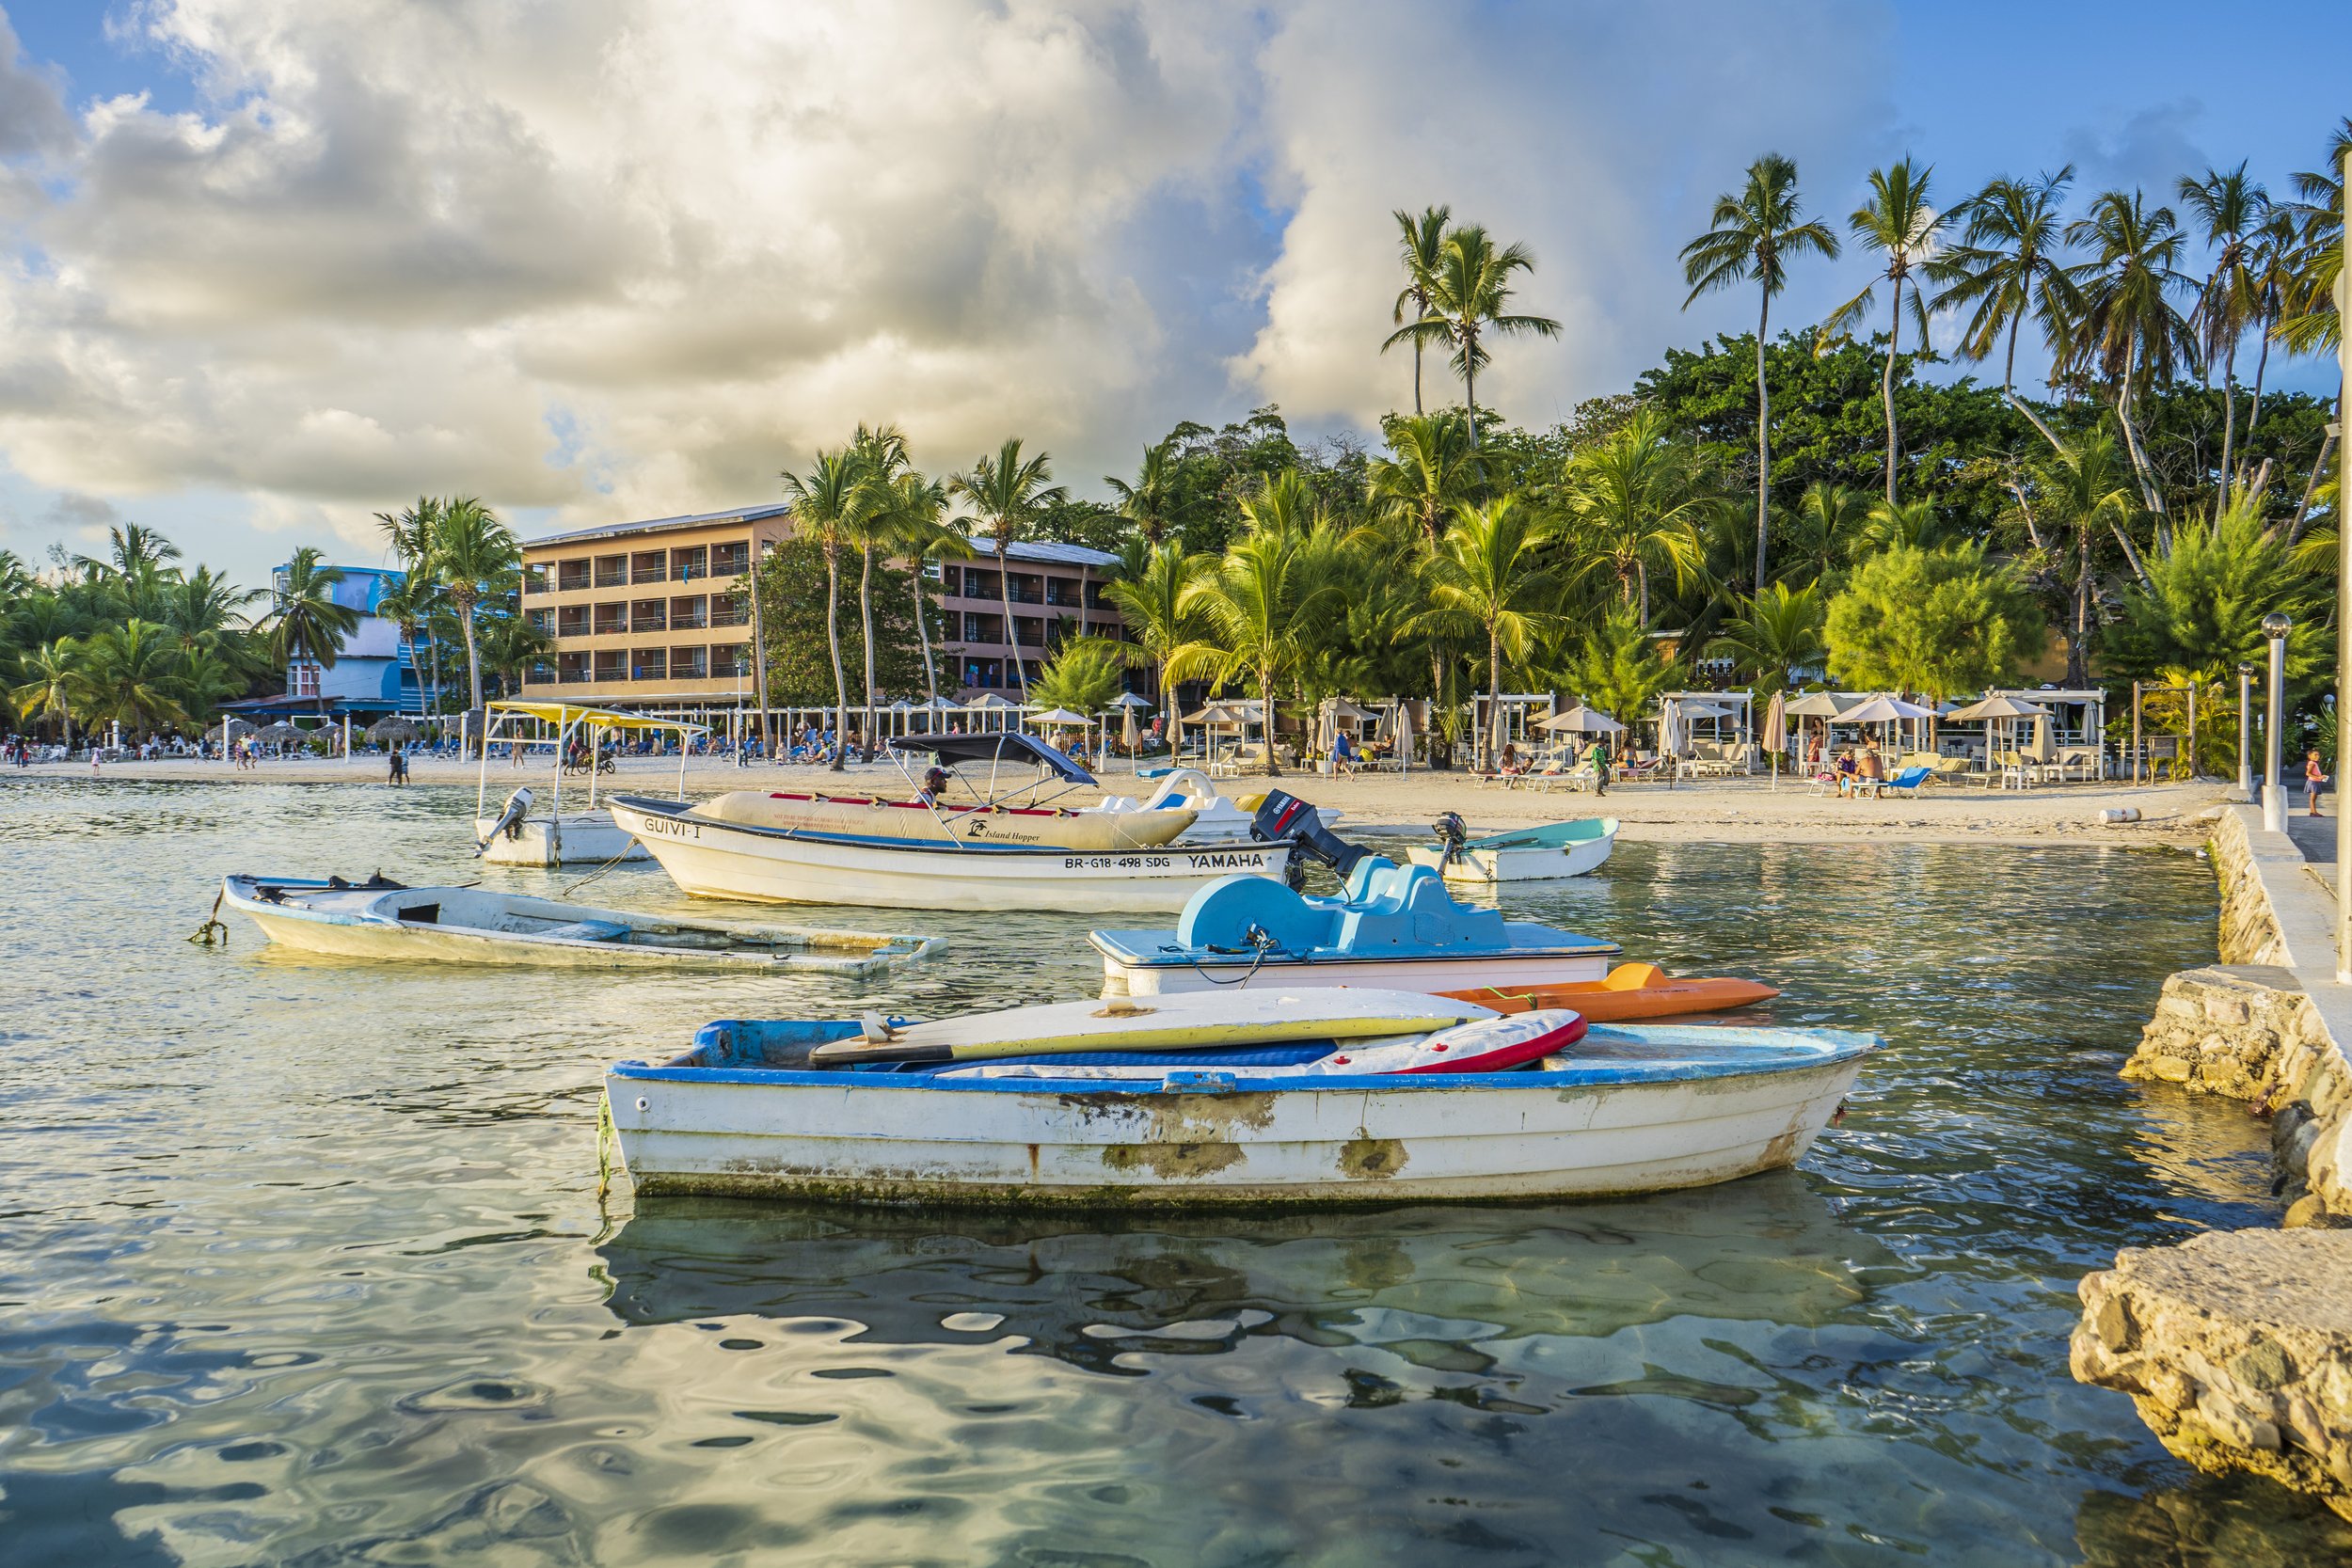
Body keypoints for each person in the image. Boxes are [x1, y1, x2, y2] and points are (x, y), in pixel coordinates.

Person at [2307, 749, 2328, 817]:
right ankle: (2314, 812)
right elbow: (2308, 773)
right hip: (2313, 782)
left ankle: (2312, 812)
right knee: (2313, 798)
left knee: (2313, 798)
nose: (2317, 756)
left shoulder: (2314, 763)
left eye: (2318, 755)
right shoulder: (2312, 763)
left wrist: (2321, 776)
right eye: (2315, 755)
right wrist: (2319, 777)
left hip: (2315, 781)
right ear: (2309, 756)